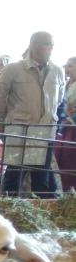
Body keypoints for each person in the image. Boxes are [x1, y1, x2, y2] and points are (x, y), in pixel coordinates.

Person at [0, 32, 65, 198]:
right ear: (34, 45)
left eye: (52, 44)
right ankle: (9, 208)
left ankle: (41, 214)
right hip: (19, 130)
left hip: (45, 131)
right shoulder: (14, 69)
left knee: (42, 178)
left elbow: (59, 100)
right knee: (14, 175)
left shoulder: (57, 71)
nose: (51, 48)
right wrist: (9, 118)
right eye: (47, 44)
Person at [55, 57, 76, 191]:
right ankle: (64, 191)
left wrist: (71, 117)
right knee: (62, 161)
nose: (67, 69)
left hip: (73, 127)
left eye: (70, 66)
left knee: (71, 161)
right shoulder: (66, 83)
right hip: (64, 126)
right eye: (66, 66)